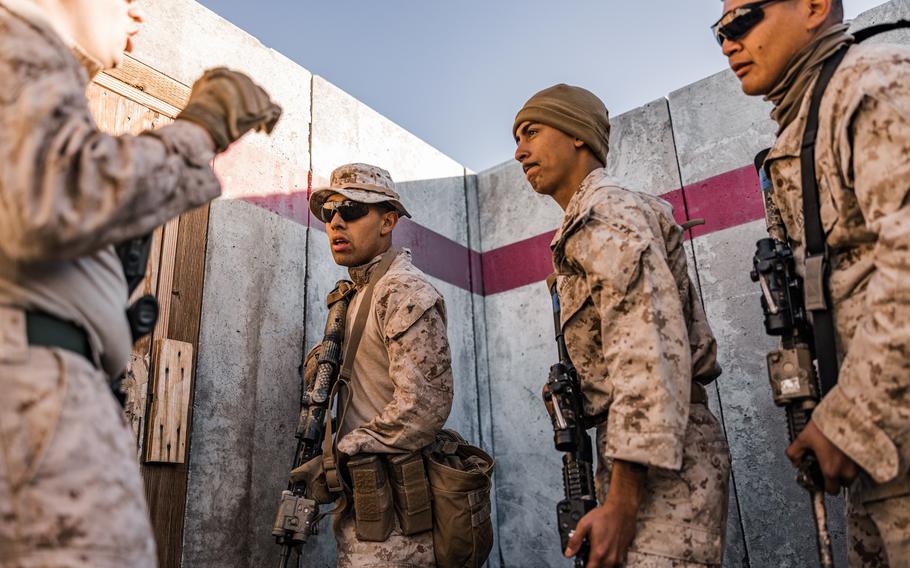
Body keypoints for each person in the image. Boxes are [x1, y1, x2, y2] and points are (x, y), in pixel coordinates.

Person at [0, 0, 280, 565]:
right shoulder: (17, 41)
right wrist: (201, 129)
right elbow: (54, 194)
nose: (136, 20)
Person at [714, 0, 910, 564]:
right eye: (717, 32)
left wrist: (849, 419)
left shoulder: (868, 87)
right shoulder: (806, 122)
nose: (727, 42)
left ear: (814, 7)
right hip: (881, 456)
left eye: (741, 20)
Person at [513, 84, 731, 568]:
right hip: (635, 452)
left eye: (531, 131)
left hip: (657, 465)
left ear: (577, 136)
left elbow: (646, 346)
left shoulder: (605, 209)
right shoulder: (586, 219)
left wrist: (623, 500)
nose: (519, 150)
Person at [307, 163, 453, 567]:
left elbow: (423, 408)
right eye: (329, 211)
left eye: (351, 210)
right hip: (365, 512)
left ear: (388, 220)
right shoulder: (354, 294)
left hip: (398, 534)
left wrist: (338, 456)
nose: (336, 221)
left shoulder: (402, 290)